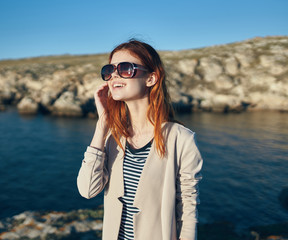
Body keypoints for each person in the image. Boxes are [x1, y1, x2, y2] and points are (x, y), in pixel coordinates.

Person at [77, 39, 203, 240]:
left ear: (151, 78)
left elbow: (188, 208)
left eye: (126, 68)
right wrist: (102, 125)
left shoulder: (181, 138)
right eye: (110, 70)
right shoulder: (112, 137)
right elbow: (87, 190)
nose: (115, 75)